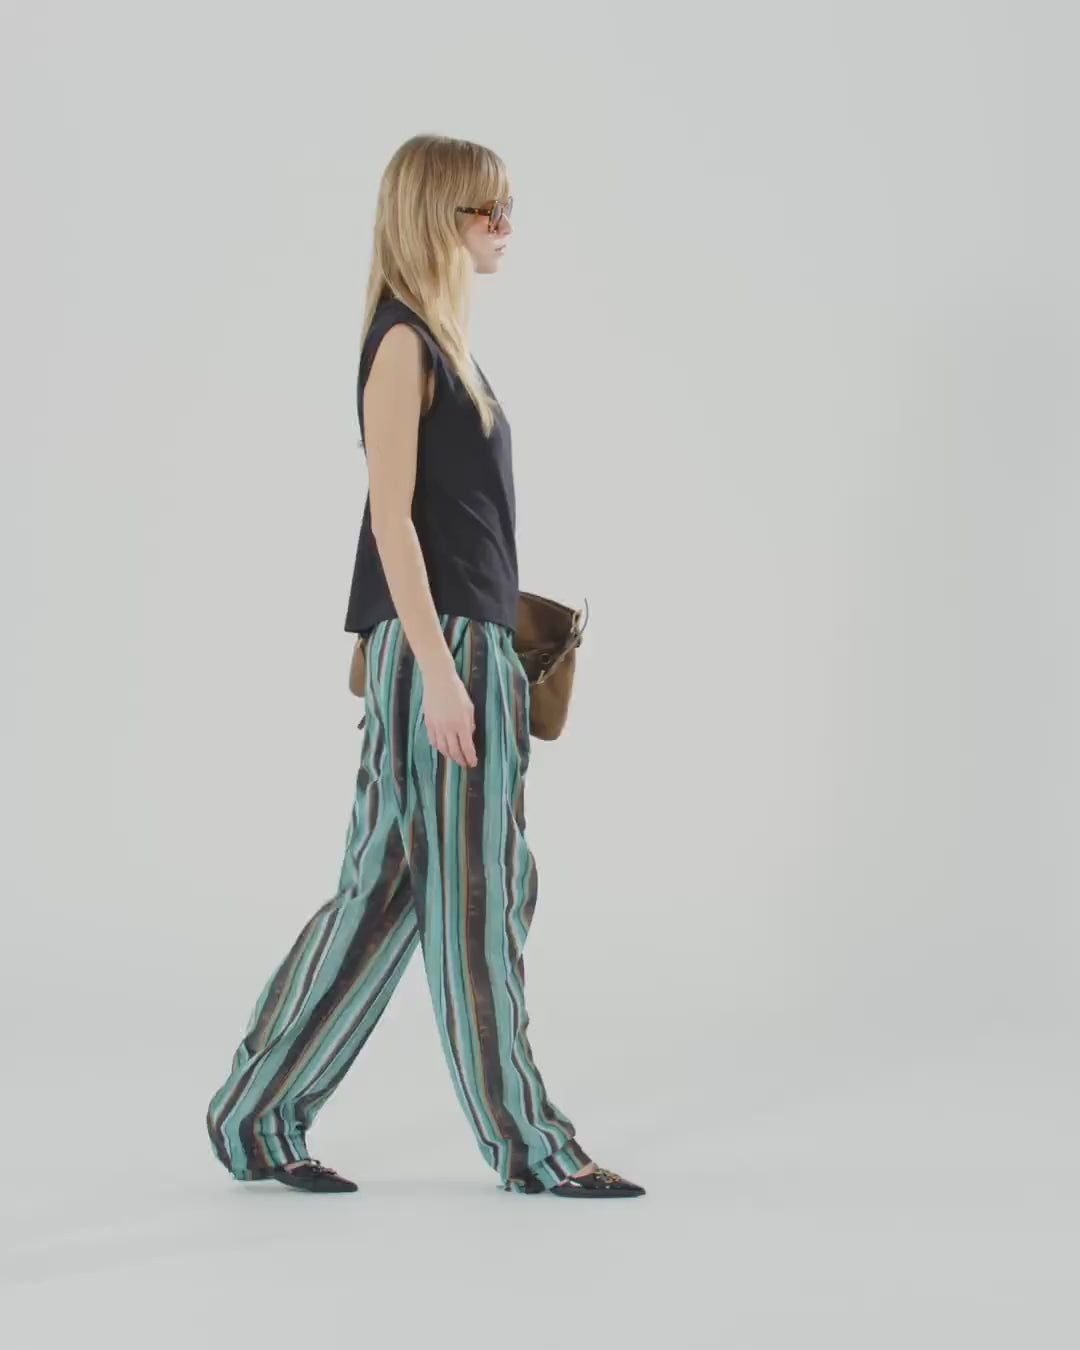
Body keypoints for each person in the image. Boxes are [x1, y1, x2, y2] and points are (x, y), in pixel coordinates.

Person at [205, 133, 644, 1200]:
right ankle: (534, 1150)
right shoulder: (404, 343)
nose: (504, 227)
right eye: (486, 209)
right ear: (435, 218)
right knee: (479, 894)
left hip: (450, 643)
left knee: (383, 895)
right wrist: (447, 676)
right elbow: (390, 521)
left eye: (506, 208)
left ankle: (255, 1118)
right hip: (439, 649)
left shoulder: (440, 344)